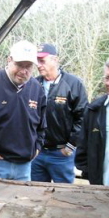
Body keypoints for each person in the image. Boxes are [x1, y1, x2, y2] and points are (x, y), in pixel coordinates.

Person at [0, 40, 47, 218]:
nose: (24, 71)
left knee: (17, 217)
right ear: (9, 60)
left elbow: (42, 127)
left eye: (29, 66)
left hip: (24, 167)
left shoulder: (37, 89)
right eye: (20, 65)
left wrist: (36, 149)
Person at [31, 43, 88, 183]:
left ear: (55, 60)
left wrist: (69, 147)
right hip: (37, 154)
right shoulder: (33, 84)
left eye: (42, 60)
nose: (39, 65)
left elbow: (83, 118)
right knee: (35, 197)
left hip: (61, 154)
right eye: (37, 61)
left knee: (63, 197)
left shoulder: (73, 84)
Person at [75, 54, 109, 186]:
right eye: (107, 78)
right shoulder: (94, 110)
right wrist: (90, 175)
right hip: (102, 187)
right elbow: (83, 149)